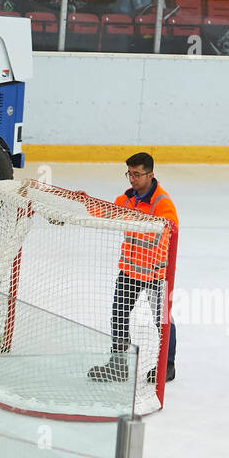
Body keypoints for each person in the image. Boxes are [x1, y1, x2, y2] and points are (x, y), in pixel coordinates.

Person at [88, 153, 178, 384]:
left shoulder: (162, 203)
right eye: (129, 173)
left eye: (137, 174)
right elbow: (105, 211)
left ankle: (167, 365)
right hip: (129, 271)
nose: (132, 179)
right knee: (118, 316)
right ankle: (118, 365)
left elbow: (172, 233)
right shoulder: (127, 199)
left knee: (163, 320)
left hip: (155, 274)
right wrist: (82, 204)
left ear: (151, 174)